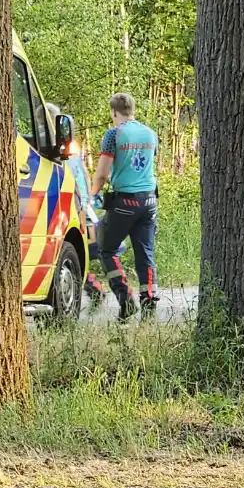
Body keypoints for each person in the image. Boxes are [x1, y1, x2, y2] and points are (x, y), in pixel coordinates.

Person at [90, 92, 159, 321]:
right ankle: (149, 302)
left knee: (106, 248)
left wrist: (92, 194)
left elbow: (102, 173)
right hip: (149, 201)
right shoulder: (150, 134)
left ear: (114, 112)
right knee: (145, 253)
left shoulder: (113, 134)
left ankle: (125, 297)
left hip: (124, 202)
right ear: (133, 110)